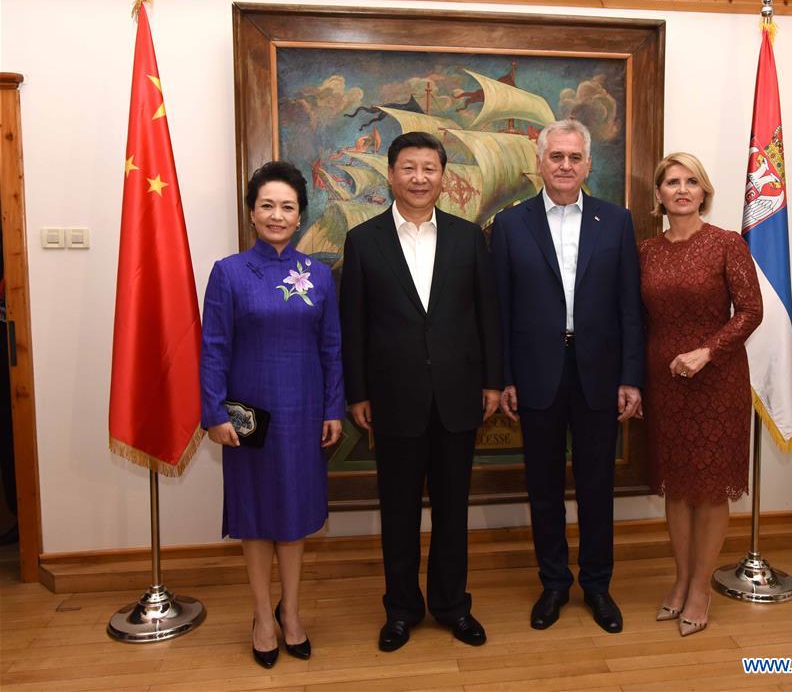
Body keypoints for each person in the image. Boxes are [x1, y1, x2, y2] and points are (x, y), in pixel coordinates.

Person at [340, 131, 503, 652]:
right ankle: (402, 609)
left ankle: (454, 605)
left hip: (459, 396)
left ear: (442, 176)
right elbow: (354, 325)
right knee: (400, 511)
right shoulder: (363, 242)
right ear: (391, 175)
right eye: (408, 168)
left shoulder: (467, 237)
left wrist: (493, 382)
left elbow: (487, 317)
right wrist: (358, 392)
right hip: (393, 399)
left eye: (429, 168)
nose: (418, 178)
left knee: (454, 510)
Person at [491, 119, 644, 635]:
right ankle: (554, 582)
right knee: (544, 486)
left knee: (598, 486)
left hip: (599, 374)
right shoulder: (511, 225)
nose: (564, 166)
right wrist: (506, 375)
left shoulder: (616, 222)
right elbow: (501, 311)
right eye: (555, 156)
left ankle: (598, 584)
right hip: (537, 375)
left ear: (588, 165)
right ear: (539, 162)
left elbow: (630, 307)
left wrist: (631, 376)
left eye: (574, 158)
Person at [200, 161, 344, 667]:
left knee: (295, 517)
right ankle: (262, 615)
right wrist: (214, 412)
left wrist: (333, 407)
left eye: (287, 207)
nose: (277, 215)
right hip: (246, 414)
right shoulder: (229, 272)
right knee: (257, 516)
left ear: (300, 215)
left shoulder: (320, 275)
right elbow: (213, 347)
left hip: (304, 411)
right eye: (267, 206)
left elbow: (332, 348)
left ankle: (293, 612)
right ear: (252, 213)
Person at [639, 152, 762, 636]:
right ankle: (680, 579)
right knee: (676, 485)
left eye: (692, 181)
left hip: (717, 380)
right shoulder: (645, 250)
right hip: (663, 381)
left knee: (710, 490)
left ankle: (701, 588)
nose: (682, 189)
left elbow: (750, 311)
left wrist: (707, 352)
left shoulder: (727, 244)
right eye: (672, 181)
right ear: (659, 195)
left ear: (704, 192)